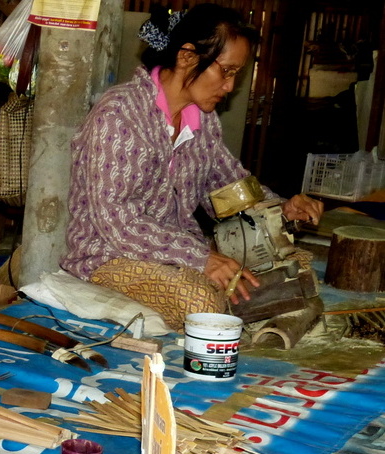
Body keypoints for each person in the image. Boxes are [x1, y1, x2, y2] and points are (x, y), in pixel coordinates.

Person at [60, 3, 324, 331]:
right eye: (225, 71)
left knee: (297, 268)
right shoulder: (118, 116)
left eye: (235, 75)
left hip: (181, 253)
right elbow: (119, 221)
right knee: (201, 303)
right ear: (187, 56)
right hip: (108, 254)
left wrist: (282, 208)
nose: (230, 86)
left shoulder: (203, 120)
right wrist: (200, 259)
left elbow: (227, 188)